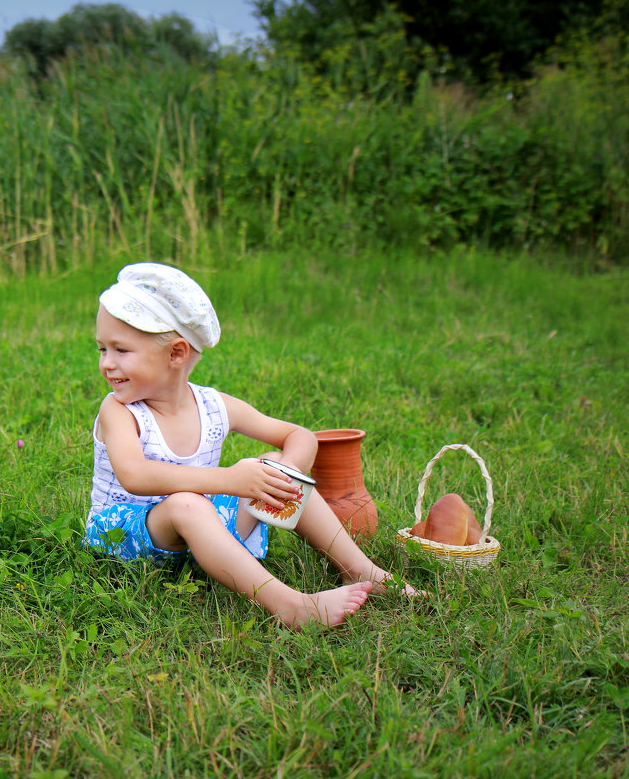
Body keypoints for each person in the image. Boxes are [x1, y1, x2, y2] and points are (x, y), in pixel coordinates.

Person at [86, 263, 418, 630]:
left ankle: (360, 570)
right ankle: (291, 606)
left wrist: (284, 472)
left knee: (273, 463)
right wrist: (230, 479)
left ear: (177, 354)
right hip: (122, 536)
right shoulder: (119, 410)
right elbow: (135, 475)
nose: (106, 363)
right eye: (102, 348)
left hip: (204, 538)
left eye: (120, 350)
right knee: (187, 504)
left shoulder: (213, 406)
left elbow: (300, 436)